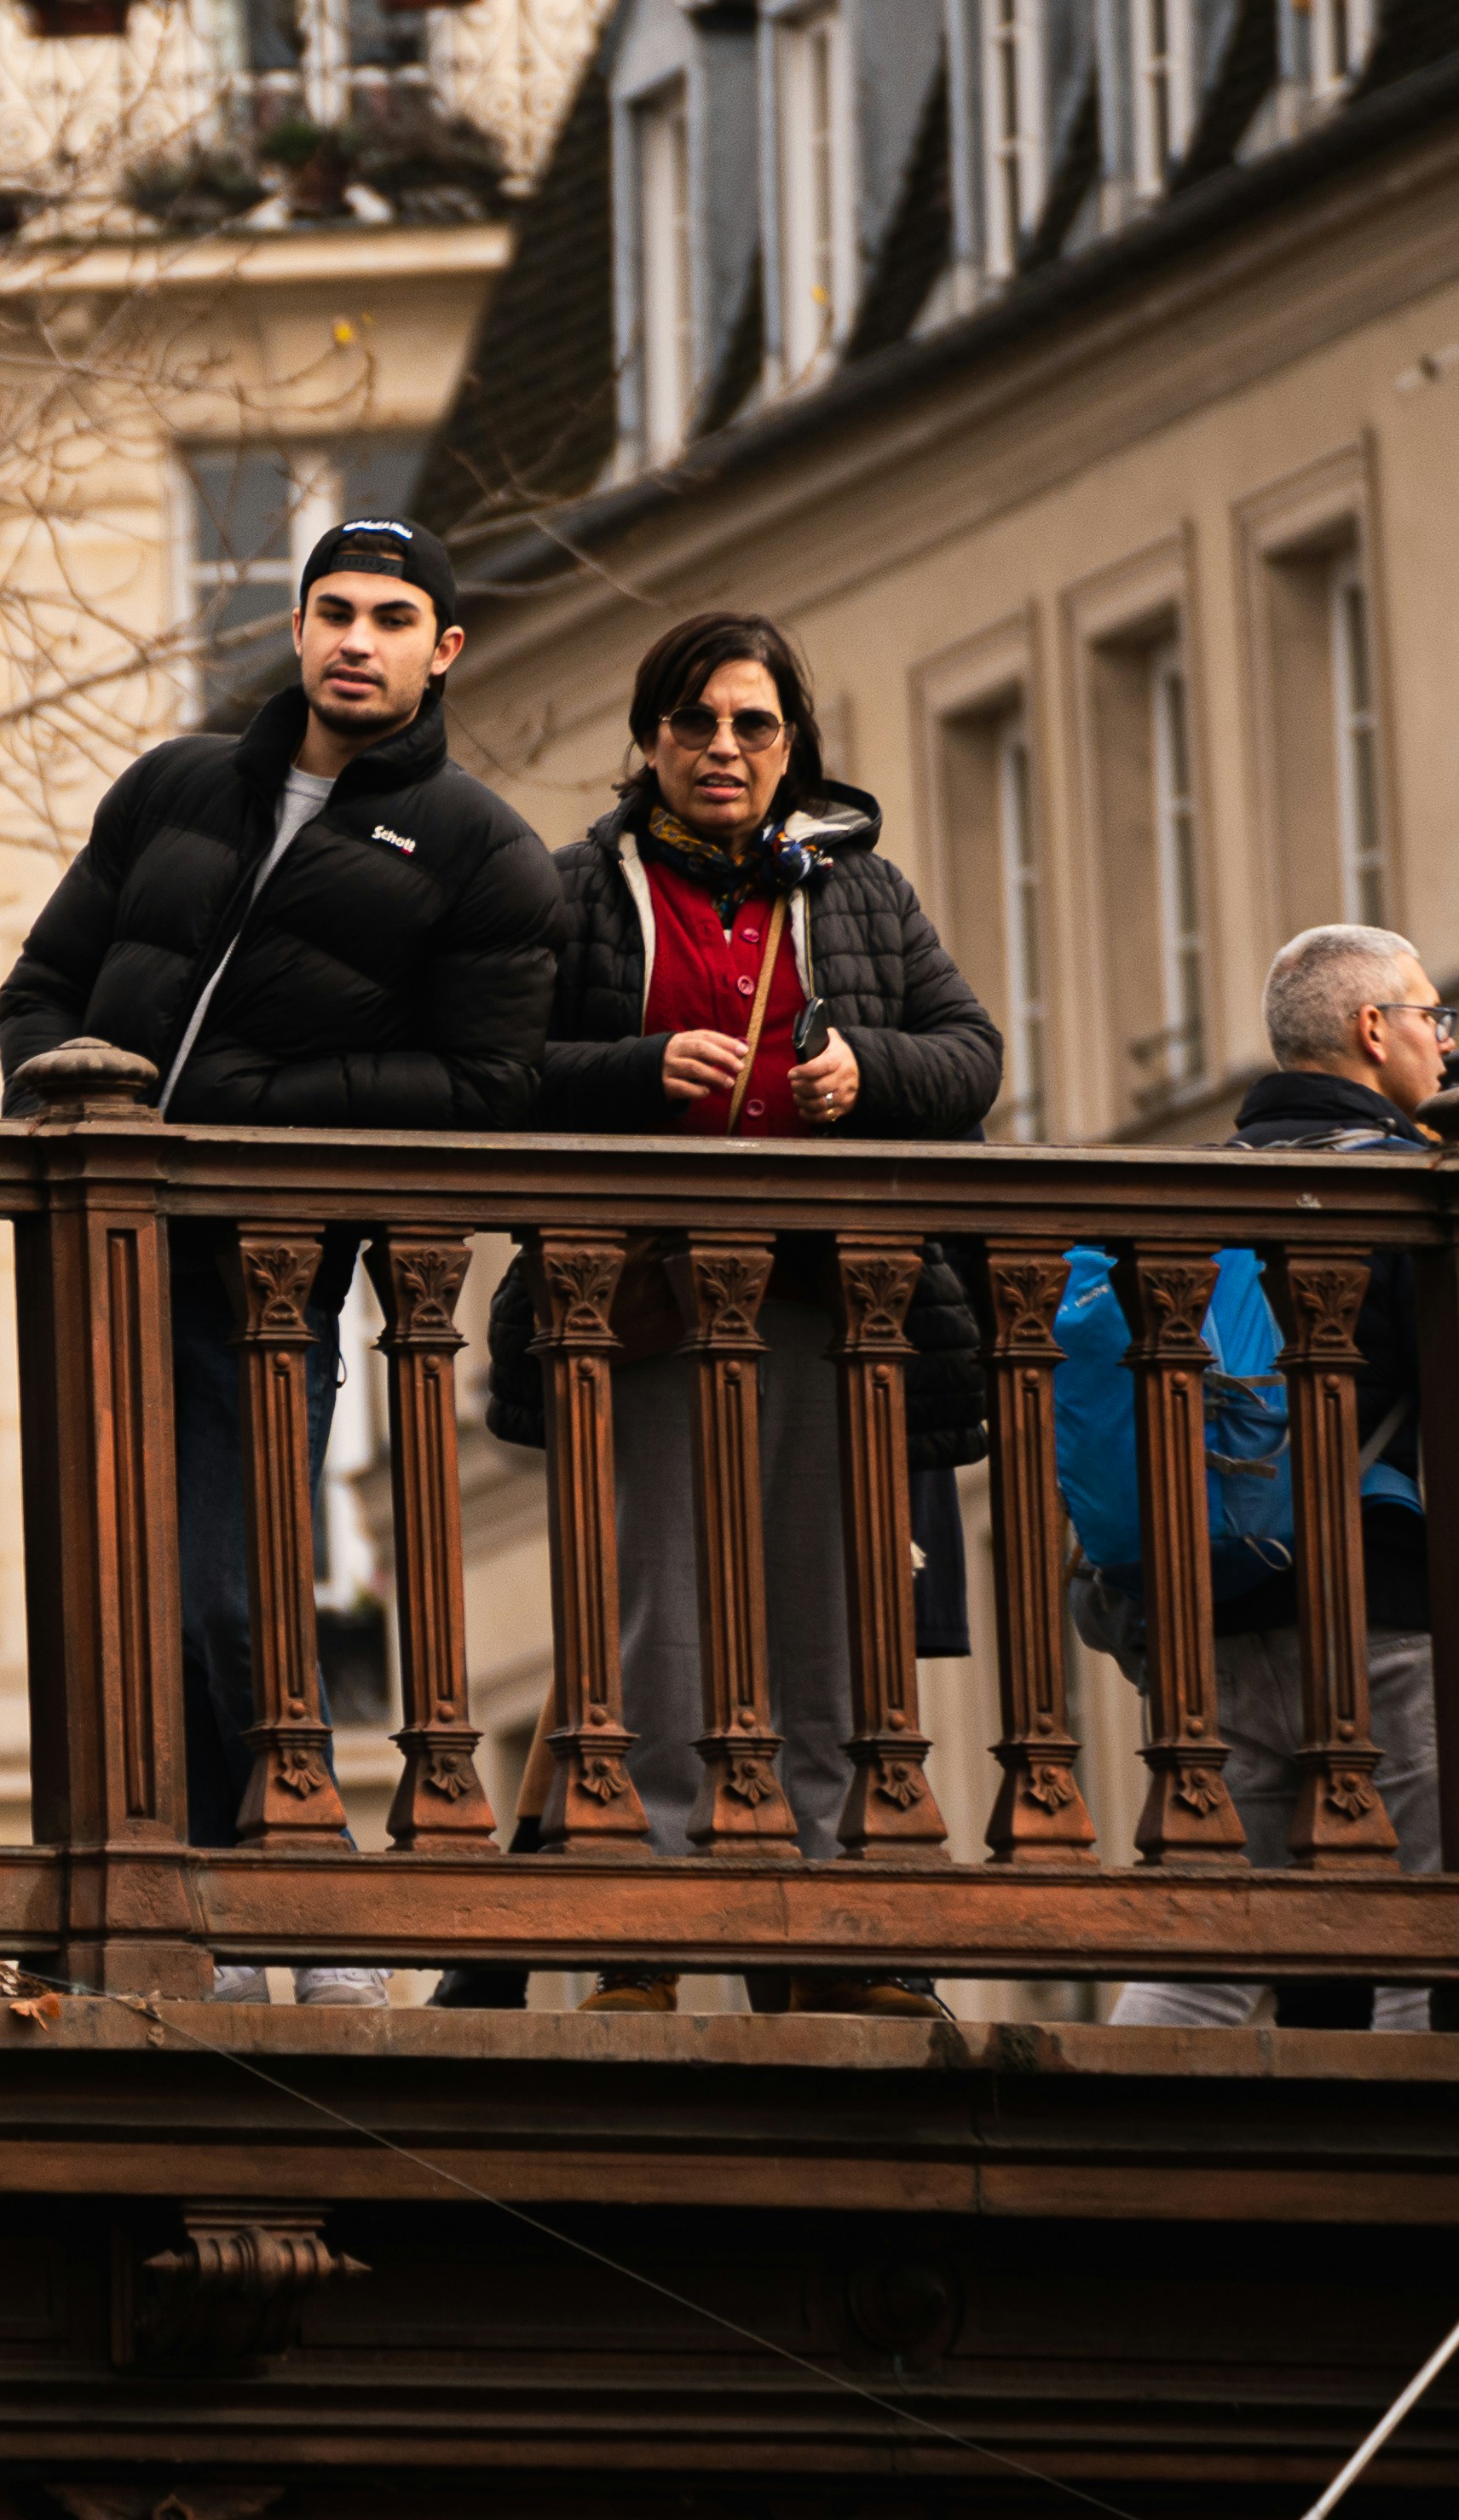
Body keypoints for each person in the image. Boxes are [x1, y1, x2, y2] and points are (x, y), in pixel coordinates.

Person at [0, 513, 555, 1985]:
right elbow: (42, 983)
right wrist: (59, 1094)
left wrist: (246, 1114)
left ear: (443, 650)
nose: (354, 641)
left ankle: (282, 1894)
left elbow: (487, 1090)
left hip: (266, 1276)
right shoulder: (175, 784)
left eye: (388, 619)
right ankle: (160, 1912)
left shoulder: (481, 850)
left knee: (228, 1587)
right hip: (92, 1263)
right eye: (331, 612)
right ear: (298, 630)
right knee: (107, 1594)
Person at [487, 609, 1000, 2020]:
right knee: (657, 1615)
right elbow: (503, 1072)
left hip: (831, 1302)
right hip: (643, 1304)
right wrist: (639, 1068)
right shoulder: (580, 889)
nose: (723, 749)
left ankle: (832, 1934)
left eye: (753, 726)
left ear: (793, 746)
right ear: (649, 740)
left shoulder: (866, 892)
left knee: (833, 1616)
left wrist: (861, 1073)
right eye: (695, 723)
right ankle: (645, 1931)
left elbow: (970, 1060)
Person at [1099, 922, 1454, 2033]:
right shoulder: (1416, 1191)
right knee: (1427, 1934)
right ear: (1371, 1030)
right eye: (1432, 1017)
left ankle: (1085, 2172)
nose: (1444, 1044)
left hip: (1210, 1612)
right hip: (1381, 1610)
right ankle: (1425, 2199)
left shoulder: (1179, 1201)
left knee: (1207, 1946)